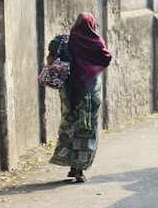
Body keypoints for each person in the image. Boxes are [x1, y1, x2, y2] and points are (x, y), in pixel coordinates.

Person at [48, 12, 112, 182]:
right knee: (87, 129)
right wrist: (90, 68)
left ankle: (71, 166)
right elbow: (106, 58)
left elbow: (50, 59)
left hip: (70, 93)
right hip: (91, 92)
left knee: (71, 126)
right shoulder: (97, 43)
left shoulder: (62, 41)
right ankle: (79, 171)